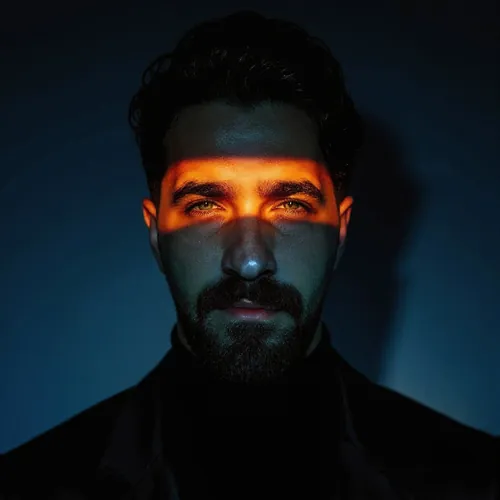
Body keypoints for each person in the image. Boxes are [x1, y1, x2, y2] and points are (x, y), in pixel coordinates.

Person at [1, 10, 498, 500]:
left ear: (341, 231)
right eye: (204, 205)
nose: (250, 260)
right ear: (156, 234)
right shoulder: (28, 488)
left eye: (291, 205)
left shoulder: (477, 483)